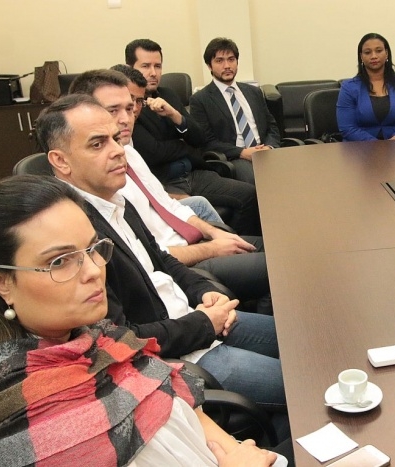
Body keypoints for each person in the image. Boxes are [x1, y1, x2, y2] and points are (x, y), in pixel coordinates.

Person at [0, 175, 281, 466]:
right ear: (1, 283)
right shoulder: (28, 413)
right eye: (60, 261)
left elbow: (179, 402)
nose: (94, 270)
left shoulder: (96, 336)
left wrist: (233, 452)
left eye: (93, 249)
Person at [34, 94, 288, 437]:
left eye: (116, 139)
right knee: (305, 380)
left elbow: (162, 260)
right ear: (60, 161)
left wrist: (204, 291)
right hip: (181, 355)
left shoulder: (116, 199)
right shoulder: (73, 235)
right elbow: (119, 338)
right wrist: (203, 324)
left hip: (196, 319)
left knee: (304, 341)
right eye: (97, 144)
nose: (118, 150)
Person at [71, 69, 272, 315]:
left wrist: (214, 232)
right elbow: (147, 256)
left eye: (131, 106)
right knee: (282, 265)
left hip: (191, 241)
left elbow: (169, 205)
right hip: (182, 263)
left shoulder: (129, 152)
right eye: (113, 110)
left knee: (280, 247)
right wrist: (212, 248)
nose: (127, 117)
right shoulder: (101, 181)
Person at [125, 38, 262, 236]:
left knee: (249, 194)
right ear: (131, 68)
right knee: (196, 208)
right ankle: (227, 245)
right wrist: (183, 145)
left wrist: (175, 115)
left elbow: (199, 138)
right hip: (164, 180)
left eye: (158, 66)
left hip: (193, 173)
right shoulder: (129, 107)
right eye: (145, 66)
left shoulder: (169, 94)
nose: (153, 73)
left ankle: (244, 243)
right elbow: (153, 153)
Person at [190, 37, 281, 185]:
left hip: (266, 152)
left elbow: (272, 126)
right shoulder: (200, 100)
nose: (227, 66)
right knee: (260, 181)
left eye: (231, 59)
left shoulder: (254, 92)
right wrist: (242, 152)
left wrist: (269, 147)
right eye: (219, 61)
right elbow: (207, 142)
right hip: (235, 158)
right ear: (209, 66)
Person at [336, 33, 395, 141]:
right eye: (367, 52)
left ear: (386, 53)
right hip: (359, 147)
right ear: (361, 57)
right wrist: (378, 145)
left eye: (379, 51)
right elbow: (347, 128)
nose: (374, 56)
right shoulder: (349, 87)